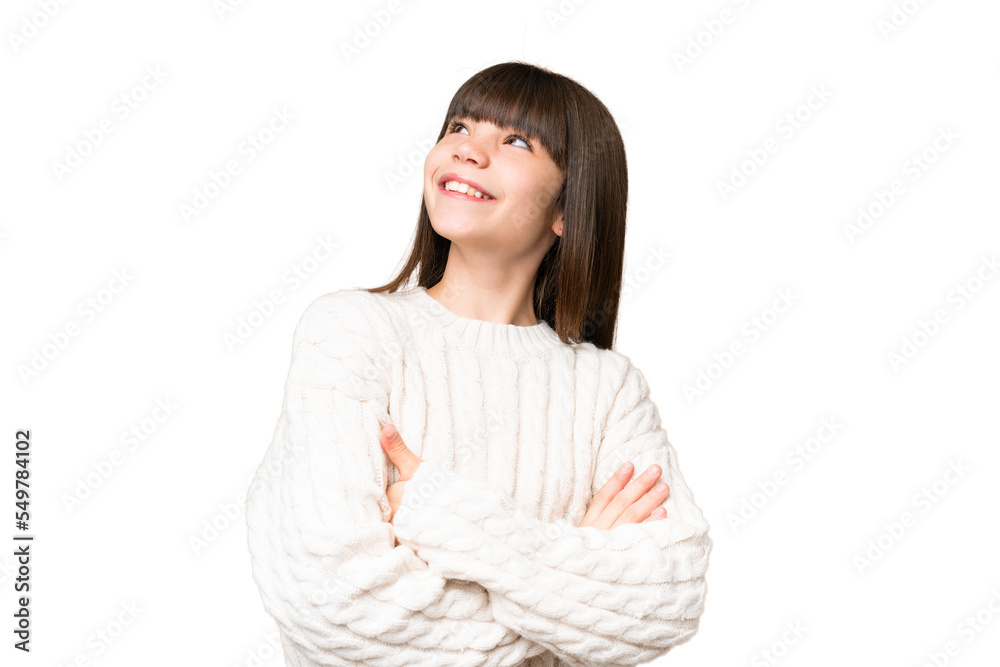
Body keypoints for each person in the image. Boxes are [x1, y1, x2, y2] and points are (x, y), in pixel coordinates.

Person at [245, 60, 712, 666]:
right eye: (459, 126)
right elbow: (332, 600)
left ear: (568, 209)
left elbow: (667, 599)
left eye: (515, 140)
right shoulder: (352, 332)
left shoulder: (608, 388)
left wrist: (442, 516)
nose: (467, 150)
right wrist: (577, 585)